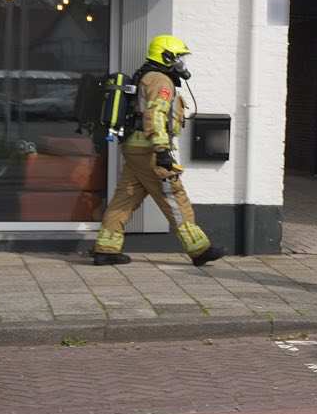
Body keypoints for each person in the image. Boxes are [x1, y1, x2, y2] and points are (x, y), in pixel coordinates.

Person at [92, 34, 225, 267]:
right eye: (179, 58)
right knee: (174, 197)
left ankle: (106, 248)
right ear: (166, 57)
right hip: (150, 150)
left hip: (135, 147)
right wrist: (162, 150)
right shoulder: (160, 81)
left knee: (124, 199)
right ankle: (199, 249)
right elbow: (155, 115)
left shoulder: (146, 76)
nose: (182, 64)